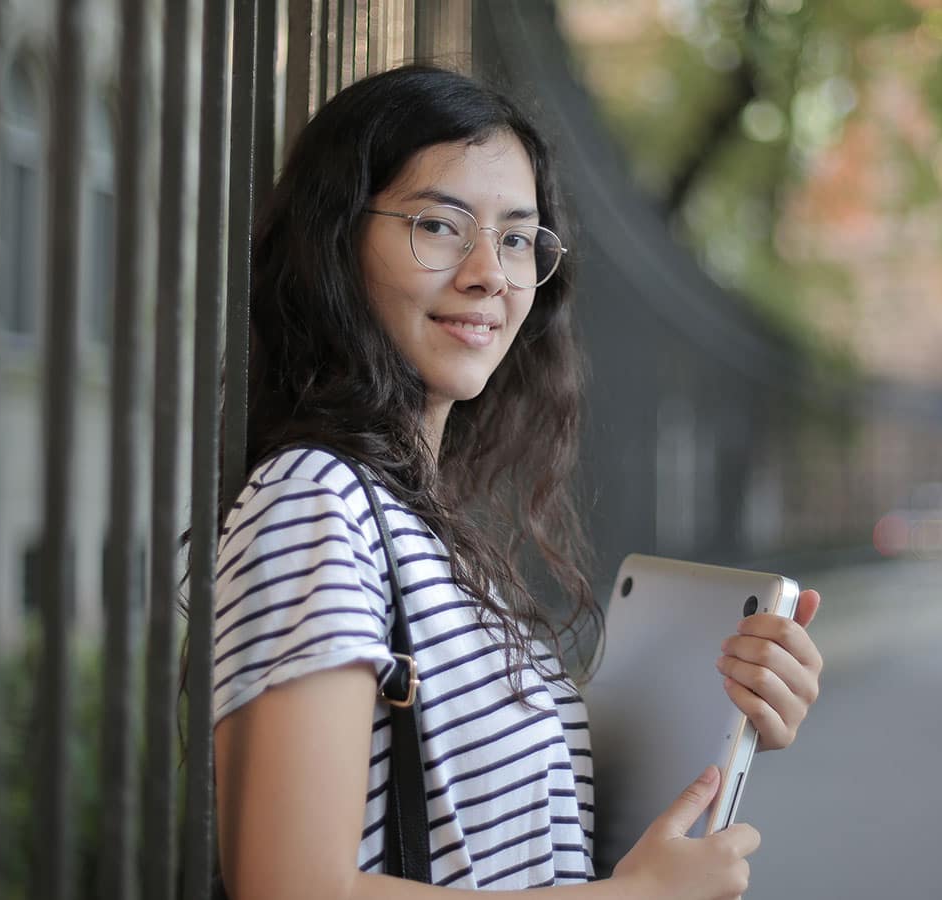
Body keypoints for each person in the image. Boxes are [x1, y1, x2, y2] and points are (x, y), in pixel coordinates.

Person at [210, 65, 824, 899]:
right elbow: (289, 887)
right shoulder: (316, 500)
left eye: (515, 238)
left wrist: (725, 719)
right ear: (335, 239)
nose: (488, 274)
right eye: (438, 224)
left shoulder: (432, 527)